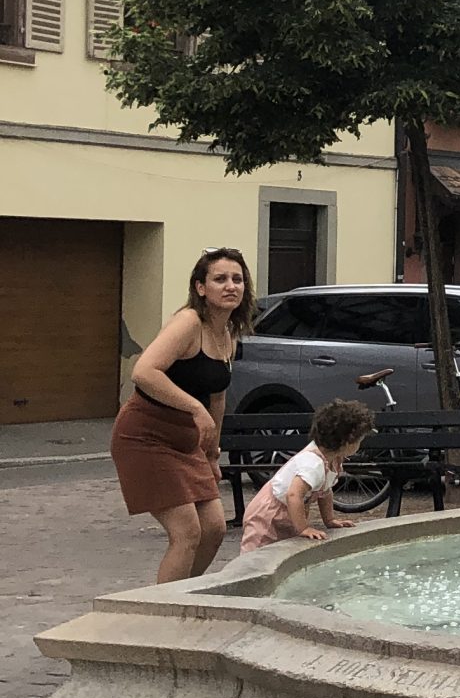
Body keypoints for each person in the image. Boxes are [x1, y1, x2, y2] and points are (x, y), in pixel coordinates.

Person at [110, 248, 253, 583]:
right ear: (201, 287)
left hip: (186, 443)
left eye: (237, 279)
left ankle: (182, 593)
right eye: (220, 279)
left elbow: (218, 397)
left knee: (214, 528)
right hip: (145, 436)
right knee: (187, 531)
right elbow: (144, 372)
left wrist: (212, 454)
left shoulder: (227, 335)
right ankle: (164, 608)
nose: (230, 286)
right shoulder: (188, 323)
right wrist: (194, 407)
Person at [238, 397, 377, 550]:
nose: (360, 444)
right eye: (359, 440)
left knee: (284, 550)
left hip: (289, 512)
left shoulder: (333, 459)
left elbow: (325, 491)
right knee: (257, 552)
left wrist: (329, 520)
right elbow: (293, 495)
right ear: (347, 442)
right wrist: (303, 528)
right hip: (268, 515)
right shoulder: (312, 464)